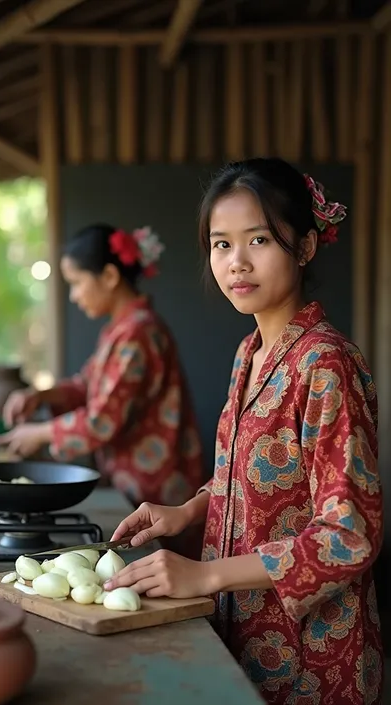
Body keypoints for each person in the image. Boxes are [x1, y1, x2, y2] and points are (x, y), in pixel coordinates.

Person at [103, 159, 384, 704]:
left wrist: (206, 577)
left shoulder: (325, 364)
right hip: (242, 636)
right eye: (221, 244)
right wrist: (186, 511)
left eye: (259, 239)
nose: (237, 263)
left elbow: (349, 537)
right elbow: (247, 475)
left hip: (313, 656)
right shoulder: (249, 352)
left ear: (304, 247)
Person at [0, 223, 205, 510]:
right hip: (135, 482)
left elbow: (101, 420)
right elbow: (87, 386)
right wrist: (39, 395)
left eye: (77, 282)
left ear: (109, 276)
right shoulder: (121, 329)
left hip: (156, 489)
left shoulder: (137, 333)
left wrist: (41, 433)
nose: (74, 295)